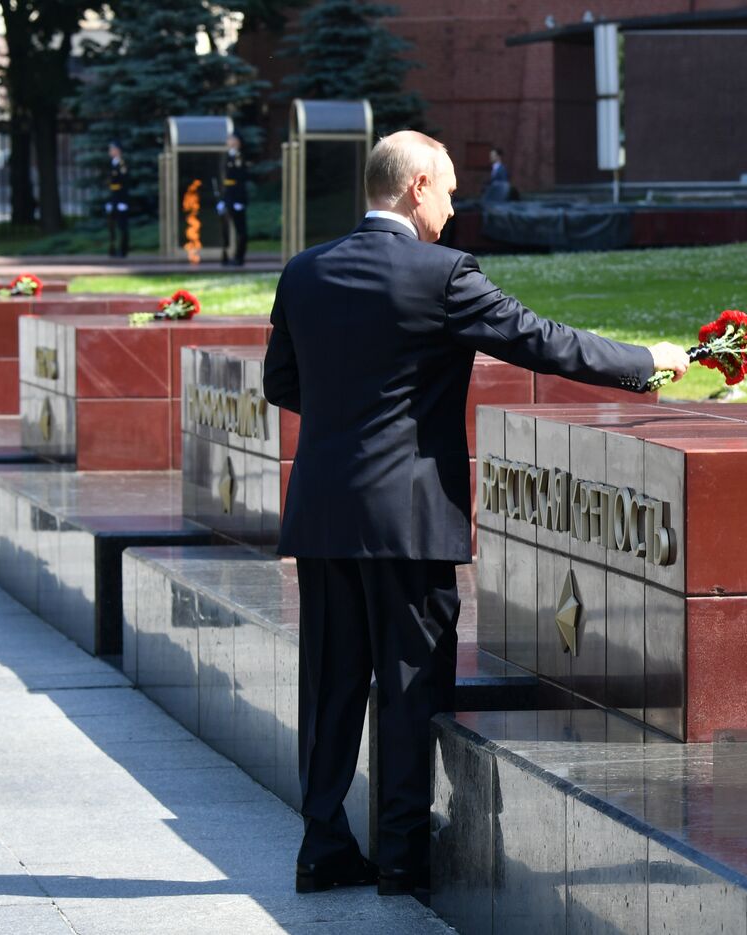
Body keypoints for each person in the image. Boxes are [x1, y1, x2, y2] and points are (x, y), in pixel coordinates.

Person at [263, 130, 688, 897]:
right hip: (411, 519)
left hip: (324, 515)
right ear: (418, 185)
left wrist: (353, 418)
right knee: (409, 684)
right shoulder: (444, 274)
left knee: (329, 688)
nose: (456, 207)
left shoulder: (304, 271)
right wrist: (645, 359)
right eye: (452, 190)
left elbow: (282, 383)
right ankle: (400, 855)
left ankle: (322, 847)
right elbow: (541, 341)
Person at [218, 132, 249, 267]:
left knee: (240, 230)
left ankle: (239, 257)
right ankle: (226, 257)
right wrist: (223, 199)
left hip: (237, 199)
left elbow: (240, 180)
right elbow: (225, 181)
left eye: (231, 139)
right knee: (225, 230)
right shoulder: (228, 156)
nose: (228, 141)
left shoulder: (239, 157)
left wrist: (240, 201)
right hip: (228, 198)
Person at [105, 141, 129, 258]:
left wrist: (123, 201)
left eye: (112, 149)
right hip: (114, 199)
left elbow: (124, 184)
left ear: (118, 151)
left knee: (122, 226)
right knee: (112, 226)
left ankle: (123, 250)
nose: (110, 152)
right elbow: (111, 185)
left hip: (121, 200)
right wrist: (110, 201)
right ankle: (113, 249)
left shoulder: (122, 164)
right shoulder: (111, 164)